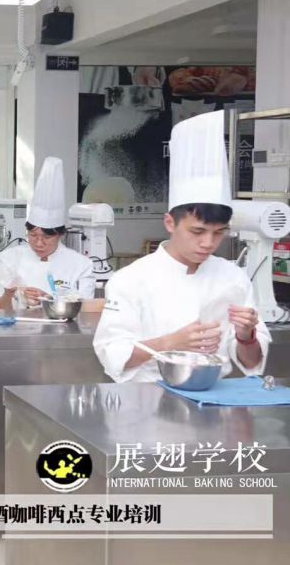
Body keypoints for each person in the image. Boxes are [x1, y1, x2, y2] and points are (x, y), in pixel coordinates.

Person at [94, 111, 269, 383]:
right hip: (148, 396)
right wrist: (169, 343)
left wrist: (247, 336)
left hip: (215, 394)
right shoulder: (132, 279)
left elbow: (252, 363)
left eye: (219, 233)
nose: (208, 243)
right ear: (170, 223)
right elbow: (112, 355)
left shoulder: (233, 277)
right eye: (197, 231)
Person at [0, 157, 94, 310]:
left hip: (63, 326)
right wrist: (9, 294)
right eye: (32, 235)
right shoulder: (7, 259)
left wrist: (48, 300)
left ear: (61, 235)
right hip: (16, 326)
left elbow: (86, 310)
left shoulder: (81, 265)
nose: (39, 243)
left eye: (47, 237)